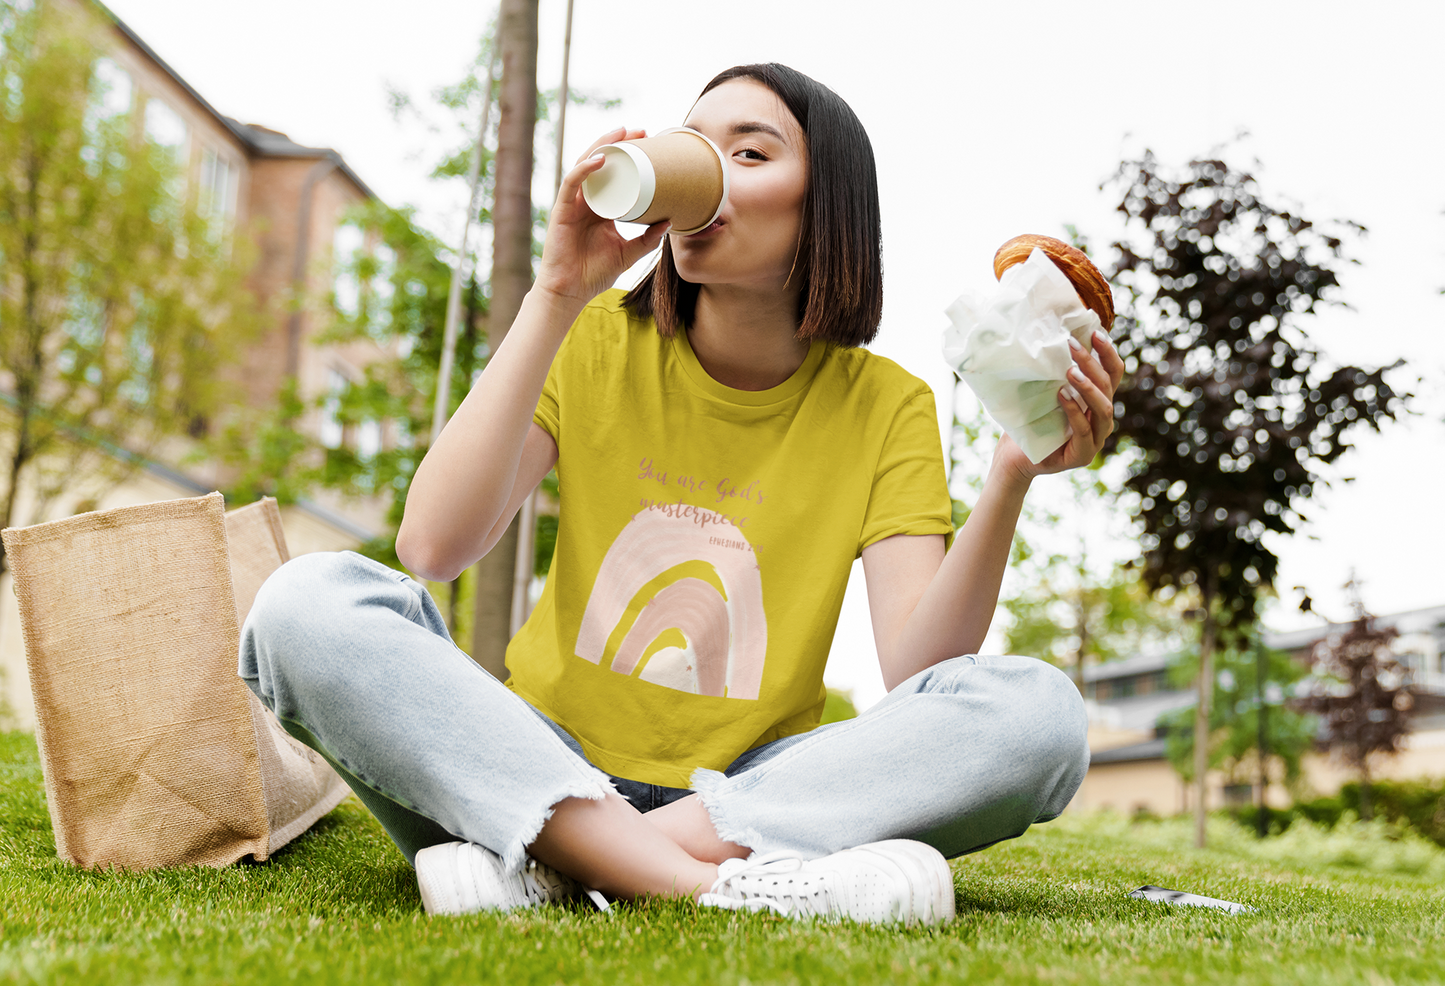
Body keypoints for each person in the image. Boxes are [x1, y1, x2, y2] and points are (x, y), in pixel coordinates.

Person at [240, 63, 1122, 925]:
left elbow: (922, 675)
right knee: (306, 605)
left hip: (748, 795)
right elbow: (432, 548)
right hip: (532, 755)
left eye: (750, 153)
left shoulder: (886, 404)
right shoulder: (589, 340)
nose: (705, 169)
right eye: (694, 145)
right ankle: (700, 885)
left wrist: (1010, 473)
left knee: (1037, 713)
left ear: (828, 206)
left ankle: (556, 864)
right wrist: (555, 292)